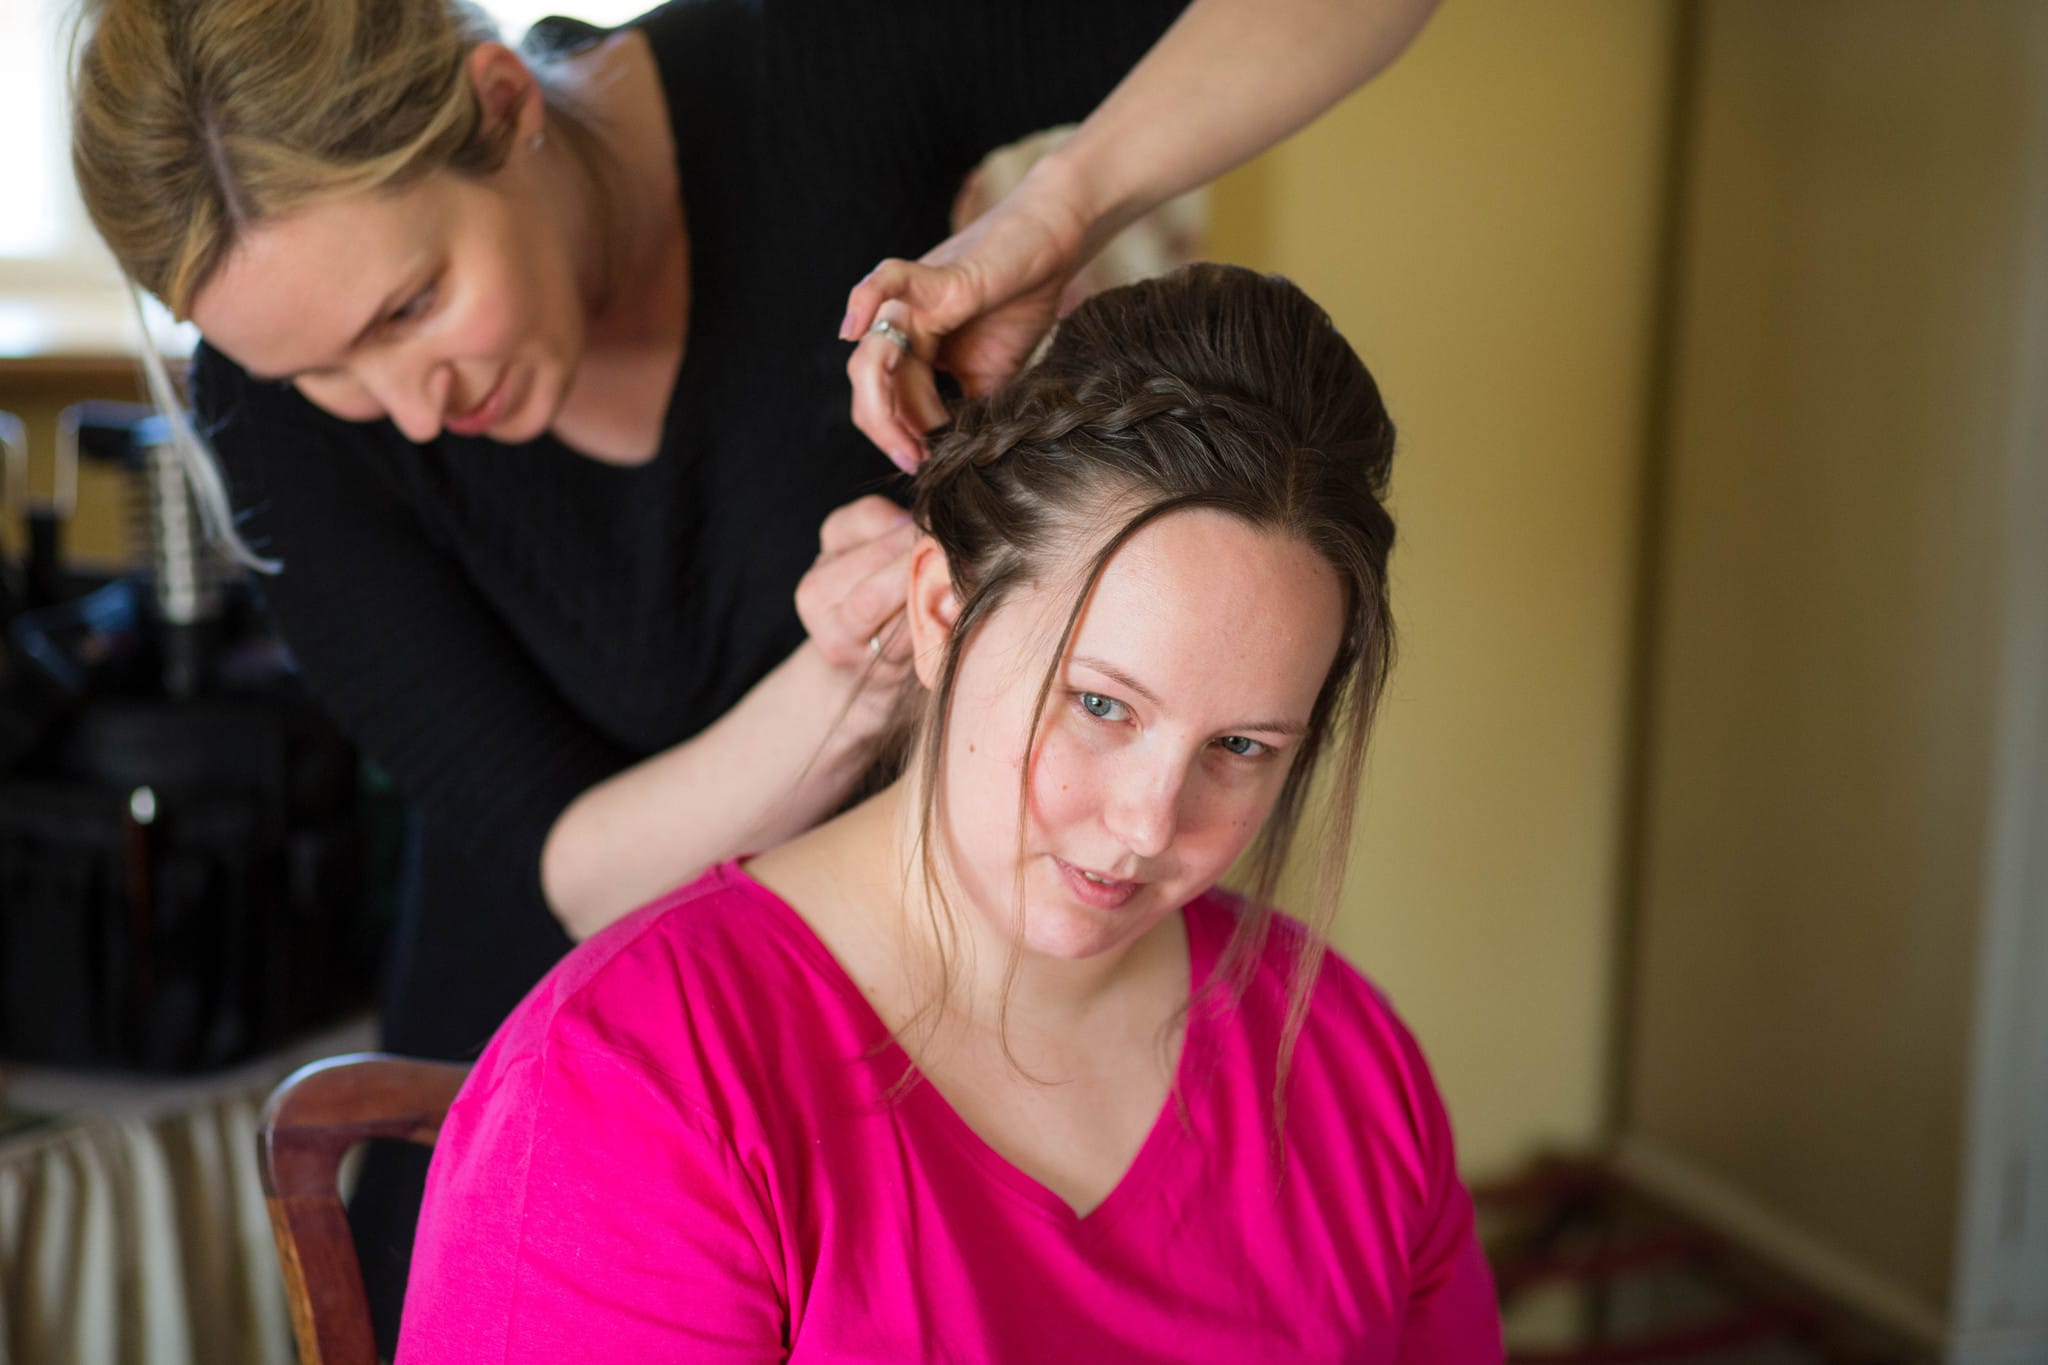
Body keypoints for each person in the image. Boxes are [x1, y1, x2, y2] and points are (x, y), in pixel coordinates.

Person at [70, 0, 1440, 1346]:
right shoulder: (279, 429)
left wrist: (1053, 212)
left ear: (500, 105)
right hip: (585, 1132)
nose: (414, 404)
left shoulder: (808, 62)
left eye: (414, 304)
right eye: (324, 370)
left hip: (979, 1040)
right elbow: (581, 869)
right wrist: (858, 675)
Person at [398, 264, 1503, 1361]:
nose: (1146, 824)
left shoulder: (1350, 1065)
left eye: (1241, 748)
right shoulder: (631, 1090)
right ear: (939, 612)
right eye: (1100, 703)